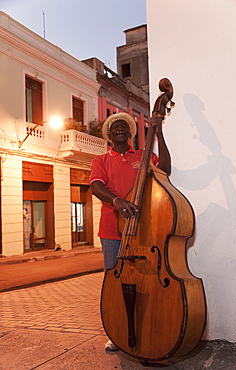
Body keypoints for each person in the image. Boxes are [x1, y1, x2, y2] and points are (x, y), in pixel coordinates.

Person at [89, 112, 171, 351]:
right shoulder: (101, 160)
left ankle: (146, 328)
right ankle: (116, 332)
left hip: (143, 229)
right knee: (114, 283)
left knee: (146, 281)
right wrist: (116, 201)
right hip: (112, 232)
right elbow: (96, 186)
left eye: (124, 127)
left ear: (132, 133)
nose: (120, 130)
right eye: (115, 128)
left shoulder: (143, 157)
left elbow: (165, 169)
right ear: (109, 135)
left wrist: (159, 132)